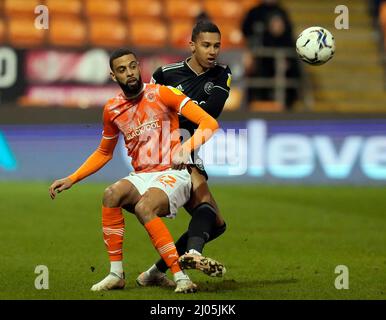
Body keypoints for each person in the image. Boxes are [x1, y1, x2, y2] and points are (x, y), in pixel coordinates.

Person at [48, 48, 219, 293]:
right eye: (121, 70)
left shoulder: (163, 93)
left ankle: (181, 277)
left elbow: (209, 123)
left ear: (139, 66)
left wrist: (186, 147)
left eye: (132, 66)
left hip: (172, 172)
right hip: (142, 175)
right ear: (113, 76)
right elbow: (104, 152)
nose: (129, 73)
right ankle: (116, 274)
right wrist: (73, 178)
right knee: (110, 194)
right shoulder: (112, 109)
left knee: (144, 207)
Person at [135, 20, 231, 287]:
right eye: (206, 45)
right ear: (192, 45)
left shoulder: (222, 74)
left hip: (188, 146)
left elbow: (210, 114)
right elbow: (146, 111)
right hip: (166, 148)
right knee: (206, 211)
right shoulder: (166, 74)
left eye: (217, 46)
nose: (213, 51)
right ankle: (193, 253)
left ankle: (154, 272)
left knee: (217, 223)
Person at [241, 0, 300, 110]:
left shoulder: (282, 12)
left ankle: (288, 106)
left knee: (291, 71)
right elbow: (246, 33)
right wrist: (249, 52)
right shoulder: (254, 12)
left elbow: (289, 37)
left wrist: (287, 59)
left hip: (279, 60)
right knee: (255, 74)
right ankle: (253, 104)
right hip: (260, 60)